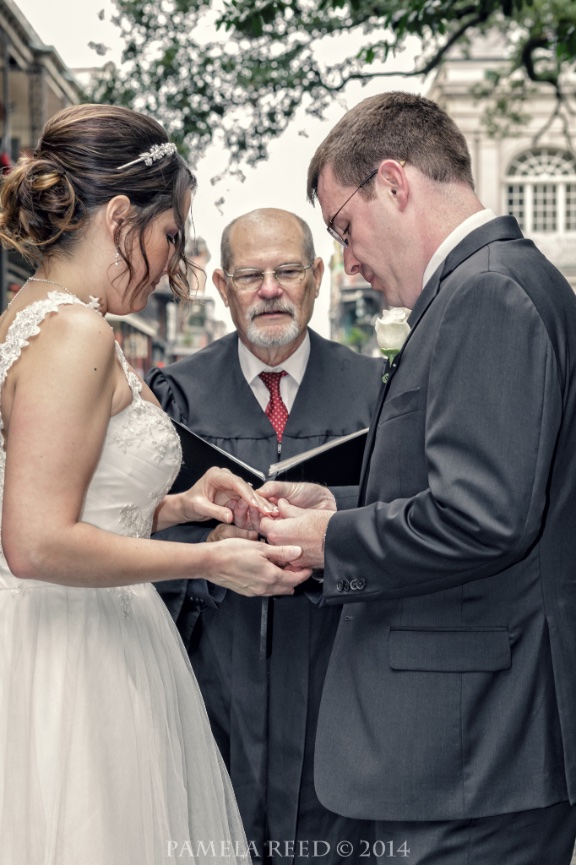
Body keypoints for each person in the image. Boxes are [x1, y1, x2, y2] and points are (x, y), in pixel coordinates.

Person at [254, 91, 576, 865]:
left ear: (393, 183)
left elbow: (481, 517)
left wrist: (331, 538)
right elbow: (477, 488)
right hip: (465, 753)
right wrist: (334, 502)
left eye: (343, 228)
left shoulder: (488, 292)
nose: (348, 261)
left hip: (471, 753)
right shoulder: (483, 286)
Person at [0, 104, 311, 865]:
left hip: (86, 633)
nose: (174, 258)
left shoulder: (37, 313)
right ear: (118, 218)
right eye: (171, 233)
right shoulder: (74, 332)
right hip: (77, 655)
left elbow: (71, 494)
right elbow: (35, 542)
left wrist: (173, 505)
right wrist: (206, 558)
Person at [146, 207, 382, 864]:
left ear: (317, 277)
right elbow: (136, 528)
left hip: (341, 662)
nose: (270, 288)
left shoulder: (376, 389)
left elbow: (411, 513)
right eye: (251, 275)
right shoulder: (176, 393)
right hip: (217, 666)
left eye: (287, 271)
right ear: (222, 288)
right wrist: (212, 555)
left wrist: (330, 522)